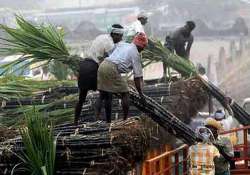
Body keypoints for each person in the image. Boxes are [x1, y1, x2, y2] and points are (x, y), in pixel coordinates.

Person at [74, 24, 124, 124]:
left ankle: (75, 121)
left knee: (81, 98)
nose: (121, 38)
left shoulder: (101, 37)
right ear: (115, 35)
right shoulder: (110, 44)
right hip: (93, 68)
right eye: (120, 36)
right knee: (107, 95)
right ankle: (107, 122)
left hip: (84, 66)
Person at [96, 32, 148, 123]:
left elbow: (108, 52)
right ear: (141, 46)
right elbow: (137, 77)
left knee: (104, 94)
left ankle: (100, 118)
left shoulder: (123, 44)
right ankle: (125, 119)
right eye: (143, 48)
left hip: (102, 65)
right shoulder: (135, 54)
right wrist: (141, 95)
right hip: (112, 68)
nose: (142, 50)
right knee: (125, 93)